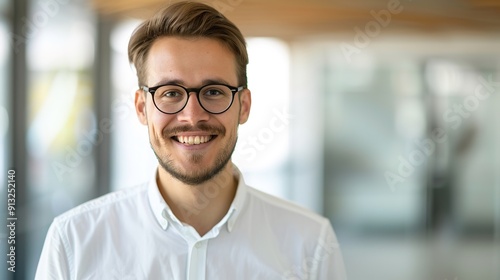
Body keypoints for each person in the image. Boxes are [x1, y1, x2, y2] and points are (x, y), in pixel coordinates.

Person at [35, 2, 346, 279]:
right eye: (170, 93)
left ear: (244, 106)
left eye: (213, 92)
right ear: (142, 108)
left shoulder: (311, 244)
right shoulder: (73, 242)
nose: (192, 115)